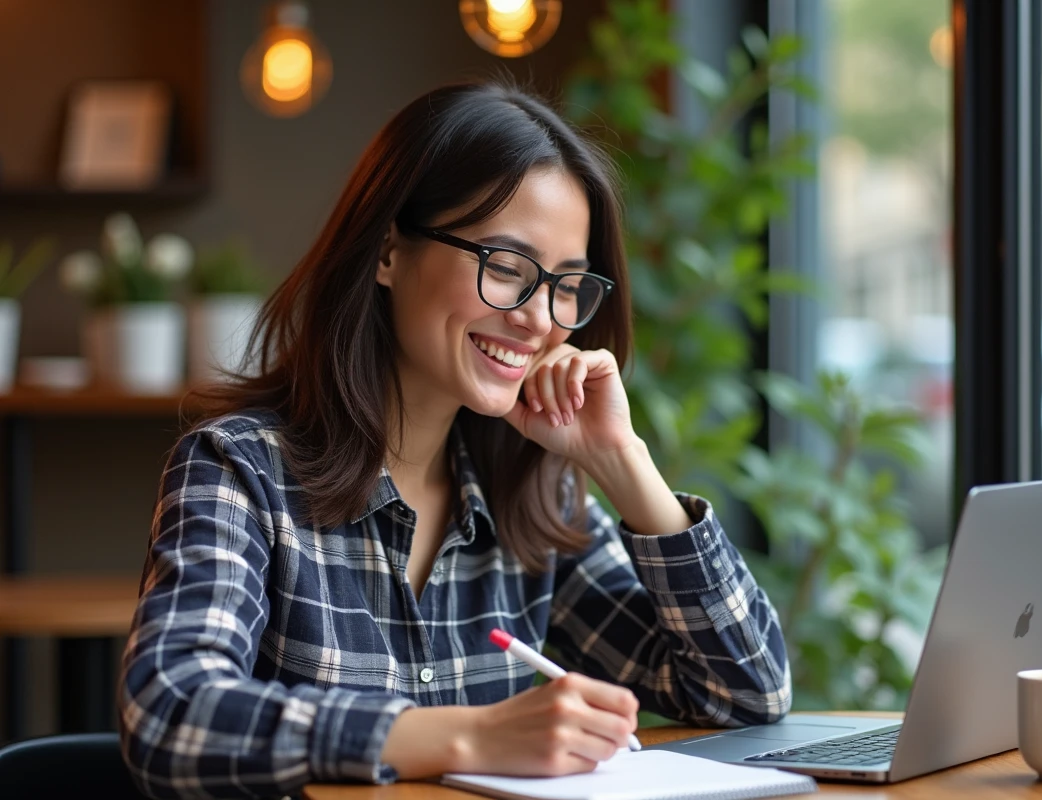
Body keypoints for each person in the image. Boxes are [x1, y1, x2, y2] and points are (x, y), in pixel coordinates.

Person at [118, 81, 791, 800]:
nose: (540, 319)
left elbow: (744, 696)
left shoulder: (531, 495)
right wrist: (471, 736)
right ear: (387, 251)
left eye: (567, 285)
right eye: (506, 267)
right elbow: (171, 713)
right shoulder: (241, 470)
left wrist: (622, 464)